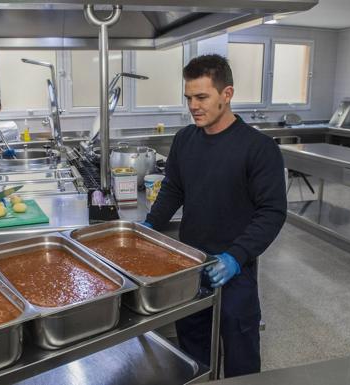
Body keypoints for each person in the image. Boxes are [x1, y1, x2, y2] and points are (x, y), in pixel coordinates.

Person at [142, 54, 287, 378]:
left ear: (227, 94)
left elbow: (272, 212)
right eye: (189, 97)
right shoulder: (185, 139)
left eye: (202, 97)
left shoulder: (258, 148)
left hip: (235, 268)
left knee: (240, 351)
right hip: (190, 263)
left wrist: (236, 257)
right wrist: (150, 226)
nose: (193, 105)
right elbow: (173, 189)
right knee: (192, 349)